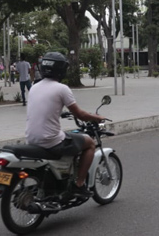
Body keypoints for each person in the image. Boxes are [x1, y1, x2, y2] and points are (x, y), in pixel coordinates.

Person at [25, 52, 106, 198]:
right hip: (51, 141)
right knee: (89, 143)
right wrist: (96, 117)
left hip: (31, 139)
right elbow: (80, 114)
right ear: (61, 70)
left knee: (70, 137)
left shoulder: (34, 87)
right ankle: (79, 184)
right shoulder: (62, 88)